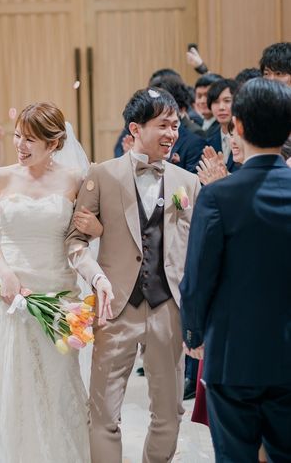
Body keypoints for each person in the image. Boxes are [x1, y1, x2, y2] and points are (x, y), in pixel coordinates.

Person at [0, 102, 102, 462]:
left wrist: (97, 229)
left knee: (56, 381)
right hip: (11, 293)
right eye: (18, 136)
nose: (20, 145)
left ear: (54, 143)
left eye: (30, 139)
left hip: (58, 294)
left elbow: (80, 239)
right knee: (12, 380)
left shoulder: (75, 180)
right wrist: (5, 273)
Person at [66, 87, 200, 462]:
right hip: (115, 309)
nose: (171, 134)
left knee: (169, 414)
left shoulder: (187, 183)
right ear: (135, 128)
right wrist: (96, 277)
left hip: (168, 309)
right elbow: (74, 241)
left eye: (175, 125)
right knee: (103, 413)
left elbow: (197, 250)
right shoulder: (101, 175)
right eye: (163, 125)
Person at [180, 78, 291, 461]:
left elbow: (198, 277)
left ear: (238, 126)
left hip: (232, 357)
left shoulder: (218, 196)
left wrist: (193, 332)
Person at [205, 79, 240, 172]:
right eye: (216, 102)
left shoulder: (247, 138)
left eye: (227, 101)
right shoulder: (208, 137)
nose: (221, 107)